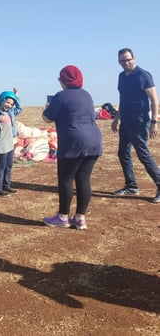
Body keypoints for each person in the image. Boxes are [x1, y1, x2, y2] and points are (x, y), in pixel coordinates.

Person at [41, 65, 102, 229]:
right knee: (83, 179)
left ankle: (63, 217)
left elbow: (46, 118)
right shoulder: (87, 95)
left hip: (73, 142)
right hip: (94, 140)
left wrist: (47, 108)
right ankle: (80, 218)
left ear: (64, 80)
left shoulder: (61, 96)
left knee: (66, 179)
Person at [111, 48, 160, 203]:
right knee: (123, 153)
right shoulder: (121, 77)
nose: (126, 63)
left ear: (134, 58)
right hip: (125, 121)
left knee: (142, 153)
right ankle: (131, 185)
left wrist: (154, 122)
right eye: (123, 60)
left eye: (128, 59)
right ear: (119, 62)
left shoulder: (143, 75)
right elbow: (123, 99)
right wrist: (116, 119)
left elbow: (154, 100)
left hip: (139, 122)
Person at [0, 89, 23, 197]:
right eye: (7, 102)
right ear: (2, 100)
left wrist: (16, 96)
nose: (9, 105)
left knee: (9, 165)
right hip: (1, 143)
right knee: (1, 166)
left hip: (9, 142)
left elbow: (19, 108)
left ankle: (6, 184)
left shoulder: (11, 112)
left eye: (11, 104)